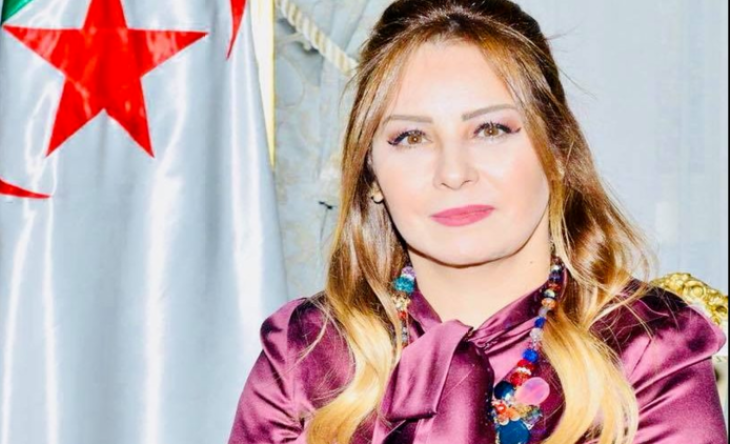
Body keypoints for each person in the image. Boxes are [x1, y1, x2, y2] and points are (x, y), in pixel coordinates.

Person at [228, 1, 728, 443]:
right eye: (411, 137)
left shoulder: (647, 347)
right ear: (371, 173)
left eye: (490, 130)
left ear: (556, 151)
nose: (453, 172)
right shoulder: (305, 352)